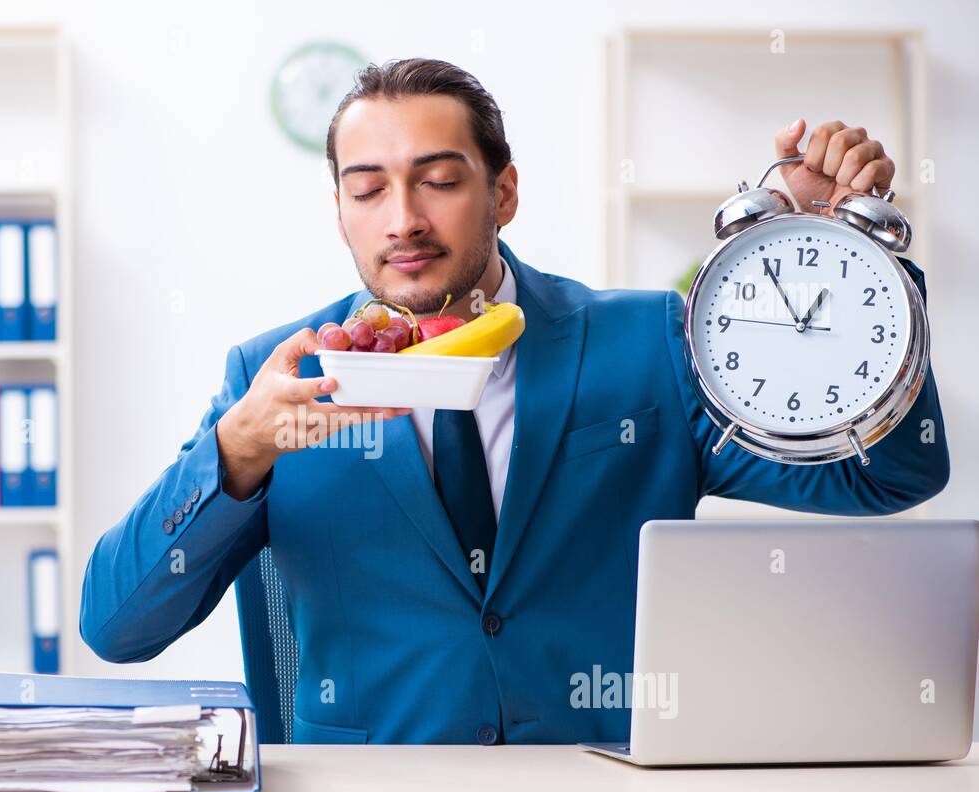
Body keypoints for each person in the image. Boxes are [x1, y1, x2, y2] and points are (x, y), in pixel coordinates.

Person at [80, 58, 948, 745]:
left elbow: (889, 476)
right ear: (340, 210)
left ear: (504, 192)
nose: (403, 219)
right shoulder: (274, 378)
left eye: (438, 180)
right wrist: (235, 452)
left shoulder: (652, 341)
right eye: (368, 187)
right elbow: (115, 627)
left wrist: (845, 259)